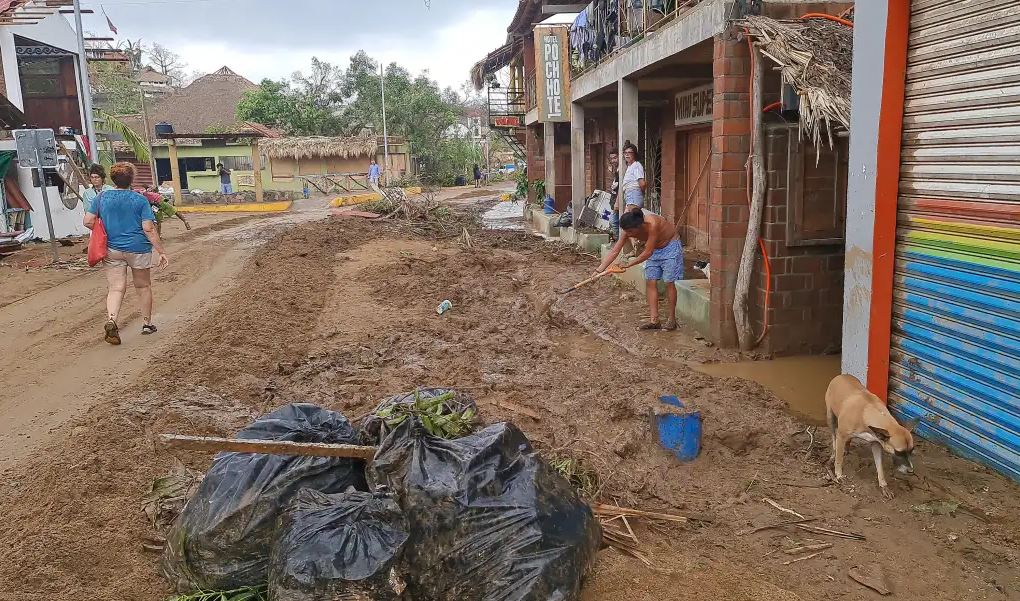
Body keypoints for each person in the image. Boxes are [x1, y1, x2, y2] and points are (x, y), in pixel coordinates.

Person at [83, 162, 169, 345]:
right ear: (132, 179)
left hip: (112, 250)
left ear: (112, 179)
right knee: (142, 286)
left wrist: (105, 230)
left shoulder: (102, 198)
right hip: (138, 249)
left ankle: (112, 320)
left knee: (115, 288)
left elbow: (88, 221)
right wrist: (161, 251)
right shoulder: (139, 200)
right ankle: (147, 324)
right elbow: (148, 229)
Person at [594, 210, 682, 331]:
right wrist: (598, 271)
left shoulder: (653, 225)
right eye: (626, 232)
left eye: (631, 232)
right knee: (650, 281)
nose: (629, 235)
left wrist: (629, 264)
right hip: (654, 250)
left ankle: (672, 320)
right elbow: (615, 251)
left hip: (670, 246)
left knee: (669, 282)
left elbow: (647, 252)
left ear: (640, 226)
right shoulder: (627, 231)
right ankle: (654, 320)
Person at [607, 149, 621, 237]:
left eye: (615, 158)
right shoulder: (616, 170)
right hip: (614, 201)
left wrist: (617, 202)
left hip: (618, 202)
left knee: (613, 221)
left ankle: (620, 242)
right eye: (611, 159)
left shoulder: (622, 170)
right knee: (614, 222)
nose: (613, 161)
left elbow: (621, 187)